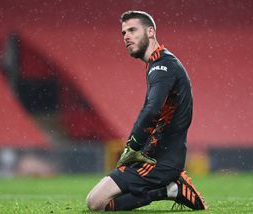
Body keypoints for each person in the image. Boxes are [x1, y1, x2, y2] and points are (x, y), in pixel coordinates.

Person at [86, 10, 207, 211]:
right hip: (154, 154)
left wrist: (133, 145)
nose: (126, 37)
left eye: (132, 30)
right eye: (124, 33)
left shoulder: (162, 66)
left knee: (96, 203)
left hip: (160, 160)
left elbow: (152, 110)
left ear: (151, 32)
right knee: (100, 200)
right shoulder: (161, 63)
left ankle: (171, 189)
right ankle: (169, 187)